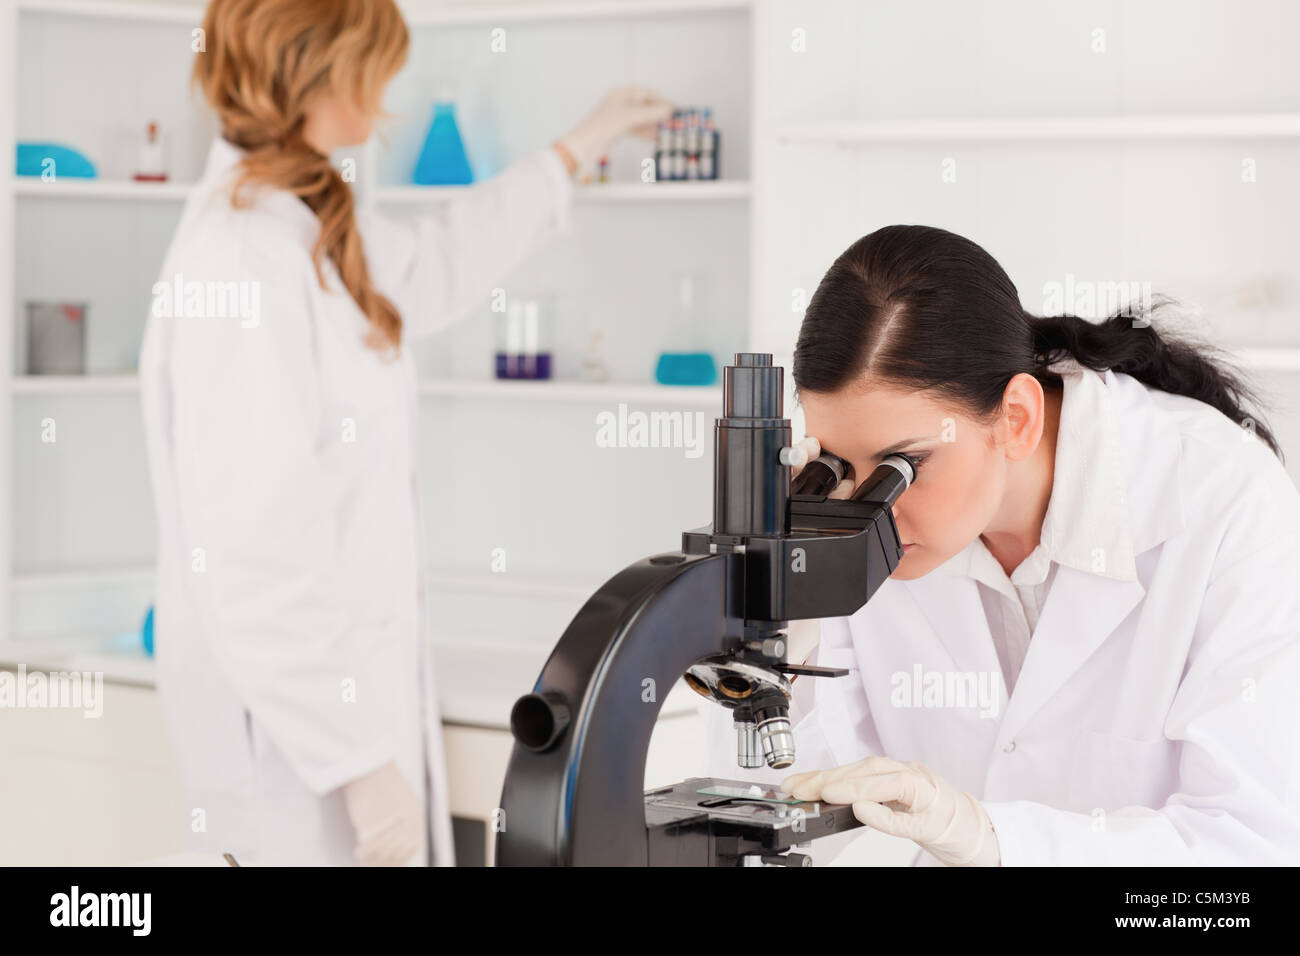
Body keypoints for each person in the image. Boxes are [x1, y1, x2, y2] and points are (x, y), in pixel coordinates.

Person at [139, 0, 671, 865]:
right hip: (290, 761)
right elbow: (251, 557)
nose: (385, 96)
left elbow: (432, 265)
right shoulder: (240, 260)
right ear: (314, 69)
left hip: (340, 720)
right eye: (373, 66)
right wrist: (356, 768)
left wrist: (574, 150)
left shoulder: (305, 222)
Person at [704, 224, 1300, 866]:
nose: (865, 513)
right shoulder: (880, 532)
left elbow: (1248, 857)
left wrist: (993, 844)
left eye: (902, 467)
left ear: (1016, 418)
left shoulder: (1224, 498)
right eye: (840, 468)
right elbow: (812, 791)